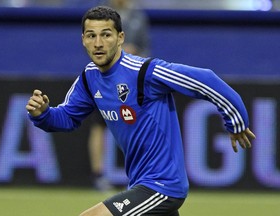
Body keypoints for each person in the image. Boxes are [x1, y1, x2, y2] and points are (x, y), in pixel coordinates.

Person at [26, 6, 256, 216]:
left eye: (106, 34)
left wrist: (235, 122)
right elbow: (66, 118)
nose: (98, 43)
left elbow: (205, 79)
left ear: (120, 38)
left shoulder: (144, 71)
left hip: (162, 185)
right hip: (140, 184)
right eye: (91, 35)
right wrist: (43, 114)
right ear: (83, 40)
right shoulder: (89, 77)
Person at [88, 0, 150, 190]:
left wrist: (133, 55)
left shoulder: (139, 17)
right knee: (100, 125)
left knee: (137, 127)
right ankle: (98, 174)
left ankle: (141, 176)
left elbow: (146, 49)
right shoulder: (100, 15)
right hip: (107, 81)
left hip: (132, 82)